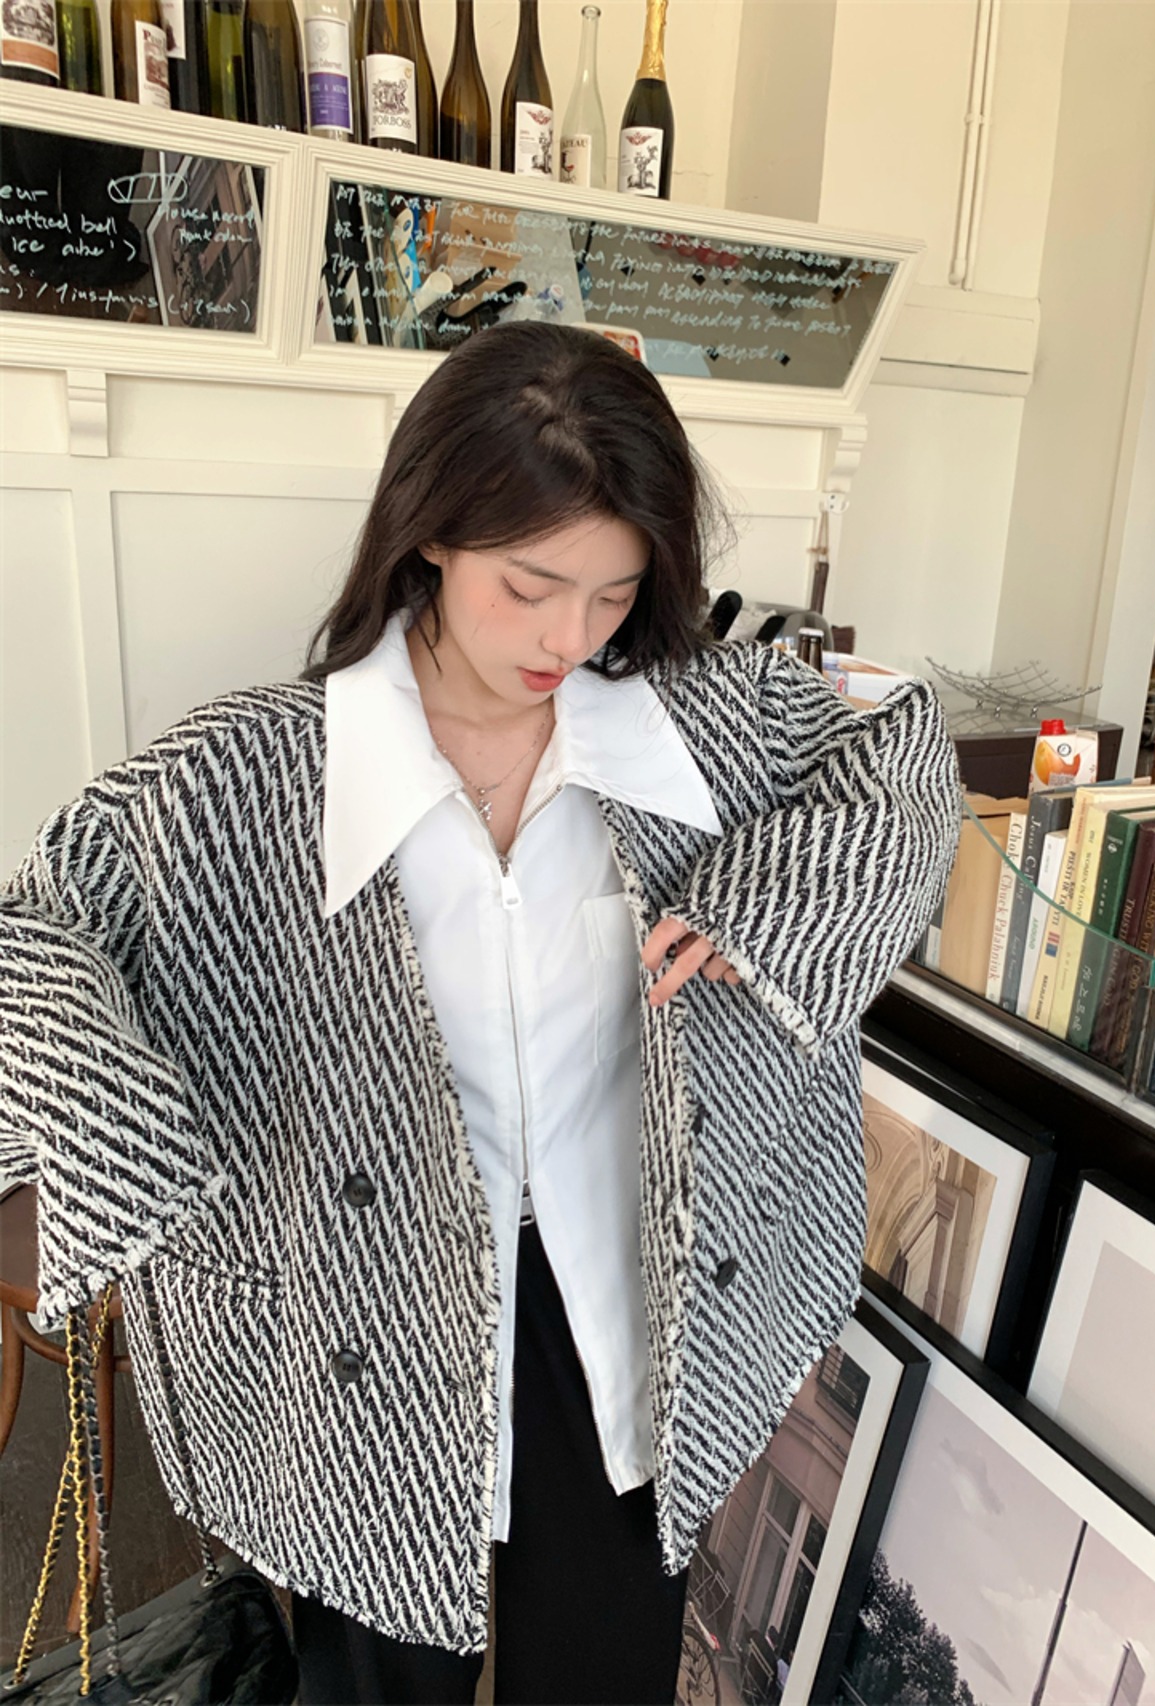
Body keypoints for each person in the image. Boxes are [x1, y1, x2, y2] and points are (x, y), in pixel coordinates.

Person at [0, 322, 961, 1705]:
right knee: (374, 1670)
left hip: (615, 1282)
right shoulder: (244, 774)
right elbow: (37, 925)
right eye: (531, 587)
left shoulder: (707, 727)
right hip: (355, 1304)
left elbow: (905, 752)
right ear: (432, 534)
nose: (571, 638)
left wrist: (777, 902)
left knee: (612, 1656)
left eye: (615, 592)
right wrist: (121, 1125)